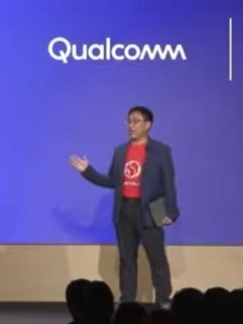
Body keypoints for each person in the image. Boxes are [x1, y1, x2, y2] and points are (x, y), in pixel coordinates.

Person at [69, 105, 178, 306]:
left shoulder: (161, 151)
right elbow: (112, 181)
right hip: (124, 209)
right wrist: (88, 171)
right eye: (129, 121)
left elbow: (168, 183)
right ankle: (127, 301)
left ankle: (163, 300)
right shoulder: (120, 151)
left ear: (148, 124)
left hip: (152, 210)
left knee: (157, 259)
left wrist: (171, 211)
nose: (131, 125)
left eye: (136, 121)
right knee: (127, 260)